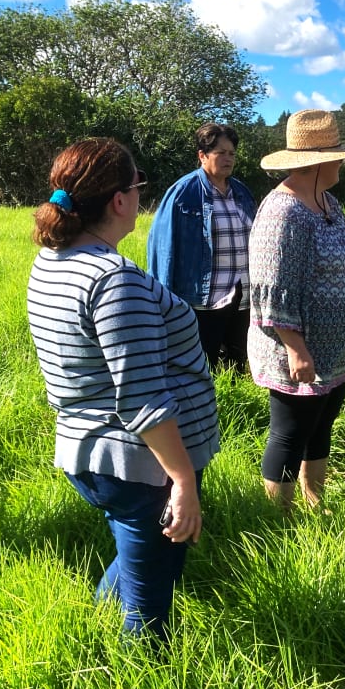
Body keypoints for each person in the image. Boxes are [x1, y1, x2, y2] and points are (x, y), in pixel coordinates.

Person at [27, 138, 219, 641]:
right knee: (152, 601)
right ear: (119, 200)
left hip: (89, 450)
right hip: (138, 464)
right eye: (137, 188)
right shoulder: (114, 280)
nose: (139, 197)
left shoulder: (53, 260)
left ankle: (94, 625)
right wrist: (182, 481)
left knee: (141, 560)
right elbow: (141, 397)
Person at [248, 109, 345, 512]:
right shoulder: (283, 213)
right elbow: (272, 289)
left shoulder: (327, 203)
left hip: (333, 351)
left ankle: (314, 501)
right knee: (290, 432)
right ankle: (278, 517)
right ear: (317, 162)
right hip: (298, 352)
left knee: (320, 426)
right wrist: (296, 348)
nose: (340, 162)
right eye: (336, 156)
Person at [147, 122, 257, 370]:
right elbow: (162, 249)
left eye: (232, 153)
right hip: (203, 300)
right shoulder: (183, 193)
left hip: (242, 296)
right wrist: (163, 301)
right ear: (202, 155)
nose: (228, 159)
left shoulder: (241, 192)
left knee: (237, 365)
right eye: (221, 153)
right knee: (201, 367)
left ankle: (235, 406)